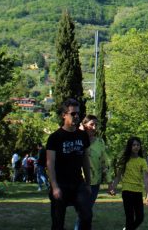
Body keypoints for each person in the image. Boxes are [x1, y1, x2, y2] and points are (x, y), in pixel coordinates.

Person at [46, 98, 92, 230]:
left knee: (87, 216)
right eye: (73, 113)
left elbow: (85, 160)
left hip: (78, 183)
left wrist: (88, 183)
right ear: (64, 115)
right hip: (61, 184)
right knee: (58, 222)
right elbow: (50, 163)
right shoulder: (55, 138)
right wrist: (54, 187)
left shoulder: (83, 136)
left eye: (78, 113)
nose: (76, 116)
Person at [75, 115, 109, 230]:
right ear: (84, 125)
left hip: (95, 183)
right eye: (91, 124)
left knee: (86, 212)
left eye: (96, 125)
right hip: (81, 181)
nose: (94, 127)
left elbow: (105, 161)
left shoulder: (100, 142)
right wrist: (80, 131)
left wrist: (109, 182)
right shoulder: (78, 140)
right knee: (85, 212)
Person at [109, 136, 148, 230]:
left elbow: (146, 178)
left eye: (138, 145)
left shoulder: (142, 161)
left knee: (140, 217)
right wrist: (113, 187)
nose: (136, 147)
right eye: (133, 145)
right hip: (127, 191)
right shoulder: (125, 160)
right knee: (130, 217)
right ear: (130, 147)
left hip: (138, 191)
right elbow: (118, 176)